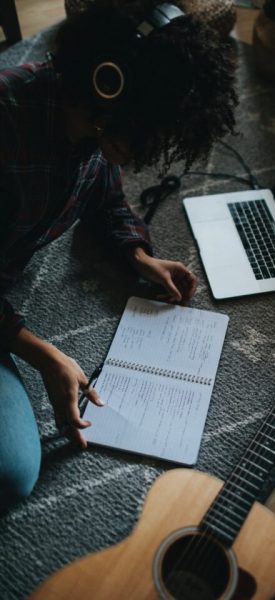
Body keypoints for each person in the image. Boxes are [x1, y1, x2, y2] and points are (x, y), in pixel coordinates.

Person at [0, 0, 237, 510]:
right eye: (144, 137)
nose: (145, 155)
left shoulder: (92, 124)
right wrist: (42, 355)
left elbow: (105, 195)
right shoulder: (8, 123)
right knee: (13, 474)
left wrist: (136, 253)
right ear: (106, 93)